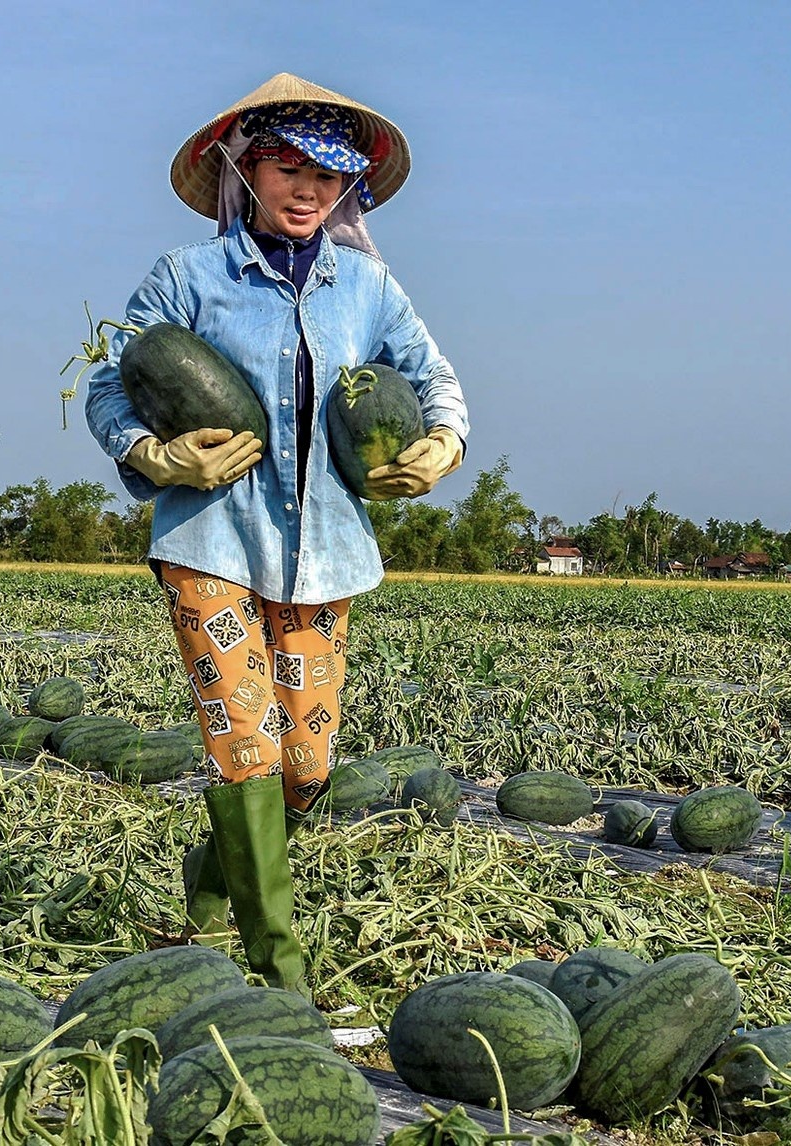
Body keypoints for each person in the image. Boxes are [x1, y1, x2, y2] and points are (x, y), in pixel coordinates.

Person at [82, 74, 468, 992]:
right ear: (243, 170)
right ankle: (279, 970)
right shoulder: (187, 277)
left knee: (304, 765)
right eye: (287, 167)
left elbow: (436, 378)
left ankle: (218, 868)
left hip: (326, 549)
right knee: (244, 744)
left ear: (347, 194)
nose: (307, 191)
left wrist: (441, 446)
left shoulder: (367, 288)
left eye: (327, 179)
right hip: (209, 542)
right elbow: (109, 385)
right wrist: (157, 455)